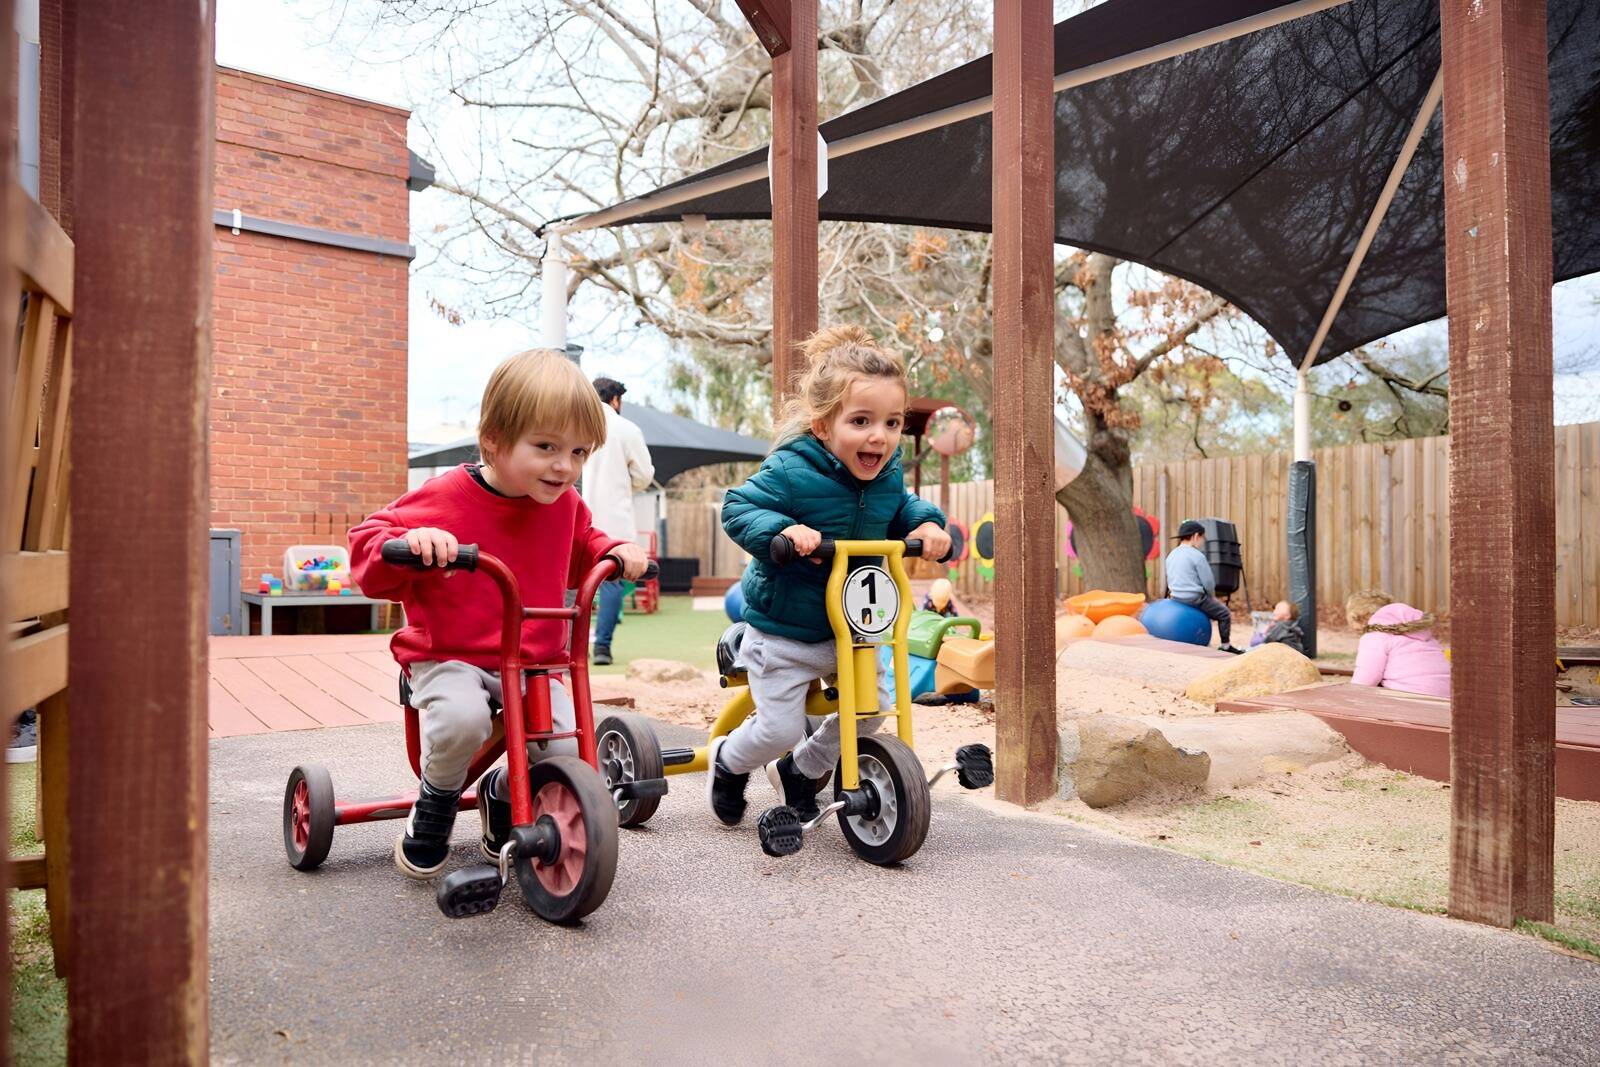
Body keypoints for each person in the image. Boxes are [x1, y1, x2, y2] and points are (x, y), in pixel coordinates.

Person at [349, 349, 651, 879]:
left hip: (531, 661)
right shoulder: (444, 497)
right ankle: (437, 802)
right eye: (546, 447)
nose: (565, 466)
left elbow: (586, 544)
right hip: (452, 654)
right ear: (493, 439)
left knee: (561, 745)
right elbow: (369, 547)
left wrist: (616, 552)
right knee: (462, 720)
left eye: (579, 452)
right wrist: (413, 540)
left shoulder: (566, 506)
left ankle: (501, 794)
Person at [711, 325, 952, 825]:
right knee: (777, 729)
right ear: (823, 426)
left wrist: (928, 525)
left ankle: (803, 769)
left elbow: (902, 507)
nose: (878, 436)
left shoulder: (886, 474)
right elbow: (739, 507)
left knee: (872, 711)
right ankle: (729, 764)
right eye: (861, 421)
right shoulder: (791, 469)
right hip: (788, 632)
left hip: (855, 630)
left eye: (891, 423)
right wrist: (783, 530)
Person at [580, 376, 655, 666]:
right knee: (611, 583)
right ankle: (602, 647)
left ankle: (569, 645)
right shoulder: (626, 429)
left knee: (574, 585)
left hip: (581, 517)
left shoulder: (578, 424)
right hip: (615, 519)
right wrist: (628, 485)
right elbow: (644, 475)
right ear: (615, 400)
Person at [1164, 519, 1241, 653]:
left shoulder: (1171, 554)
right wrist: (1212, 597)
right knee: (1224, 613)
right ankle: (1225, 646)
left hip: (1175, 598)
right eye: (1202, 537)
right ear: (1195, 536)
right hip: (1194, 599)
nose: (1203, 541)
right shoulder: (1197, 556)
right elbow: (1208, 582)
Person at [1352, 602, 1451, 698]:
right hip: (1446, 699)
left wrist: (1351, 696)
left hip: (1411, 699)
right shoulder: (1429, 640)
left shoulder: (1375, 637)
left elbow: (1366, 678)